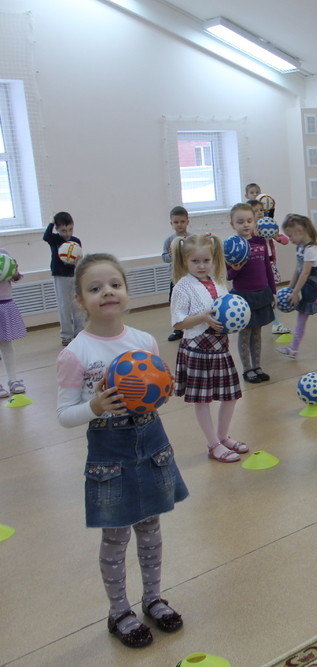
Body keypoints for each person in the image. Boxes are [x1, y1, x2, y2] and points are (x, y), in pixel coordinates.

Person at [56, 253, 188, 648]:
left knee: (150, 528)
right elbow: (64, 415)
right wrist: (95, 406)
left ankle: (153, 599)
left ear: (126, 292)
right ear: (80, 300)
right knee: (115, 538)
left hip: (151, 443)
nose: (107, 293)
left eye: (115, 285)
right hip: (109, 453)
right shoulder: (76, 352)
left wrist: (164, 390)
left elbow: (156, 388)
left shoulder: (144, 341)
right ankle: (119, 612)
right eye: (95, 288)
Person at [170, 234, 248, 463]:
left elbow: (226, 310)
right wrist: (203, 317)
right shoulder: (182, 287)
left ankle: (223, 437)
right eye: (195, 261)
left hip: (220, 348)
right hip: (197, 349)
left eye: (206, 260)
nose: (201, 266)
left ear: (213, 259)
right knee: (202, 400)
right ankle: (213, 444)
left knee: (231, 395)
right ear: (185, 261)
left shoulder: (219, 282)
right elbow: (178, 323)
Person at [226, 203, 275, 383]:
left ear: (255, 221)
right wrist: (236, 268)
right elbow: (229, 275)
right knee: (245, 334)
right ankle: (247, 370)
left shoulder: (260, 242)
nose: (245, 225)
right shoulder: (231, 246)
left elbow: (267, 268)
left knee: (257, 333)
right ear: (232, 224)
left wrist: (272, 291)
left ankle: (257, 366)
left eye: (249, 220)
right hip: (243, 297)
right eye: (240, 222)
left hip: (262, 294)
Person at [276, 214, 317, 359]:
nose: (290, 239)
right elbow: (298, 270)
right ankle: (293, 349)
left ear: (299, 231)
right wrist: (290, 288)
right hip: (307, 291)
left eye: (290, 236)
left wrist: (295, 293)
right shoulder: (300, 247)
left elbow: (305, 273)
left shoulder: (312, 249)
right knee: (300, 321)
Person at [248, 196, 292, 336]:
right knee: (267, 294)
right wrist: (257, 235)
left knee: (272, 293)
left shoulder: (269, 225)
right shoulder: (250, 230)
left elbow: (285, 240)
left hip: (269, 264)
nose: (259, 213)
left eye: (261, 210)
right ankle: (273, 322)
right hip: (258, 266)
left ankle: (275, 322)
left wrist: (276, 236)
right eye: (255, 211)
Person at [43, 211, 85, 345]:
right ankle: (66, 335)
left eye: (70, 229)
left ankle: (80, 332)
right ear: (56, 229)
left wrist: (78, 262)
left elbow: (79, 258)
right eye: (63, 230)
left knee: (77, 305)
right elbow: (45, 236)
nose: (67, 234)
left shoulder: (76, 241)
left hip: (74, 276)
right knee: (64, 306)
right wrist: (51, 222)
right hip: (60, 276)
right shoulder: (54, 239)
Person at [0, 247, 28, 398]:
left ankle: (13, 379)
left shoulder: (3, 253)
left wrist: (14, 272)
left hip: (5, 304)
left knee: (6, 344)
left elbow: (15, 277)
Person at [162, 206, 190, 342]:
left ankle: (192, 325)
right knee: (175, 303)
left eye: (182, 221)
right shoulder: (169, 240)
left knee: (191, 301)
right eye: (176, 222)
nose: (179, 224)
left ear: (187, 222)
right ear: (171, 223)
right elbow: (164, 257)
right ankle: (178, 329)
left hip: (191, 277)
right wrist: (172, 254)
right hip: (175, 279)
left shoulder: (192, 239)